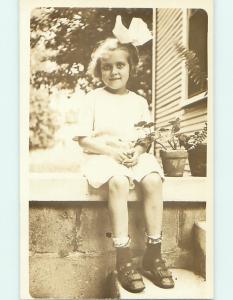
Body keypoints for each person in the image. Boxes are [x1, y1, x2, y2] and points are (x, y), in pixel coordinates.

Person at [75, 19, 174, 293]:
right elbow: (84, 139)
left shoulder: (139, 101)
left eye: (120, 65)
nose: (114, 71)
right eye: (107, 67)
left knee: (153, 179)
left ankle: (154, 254)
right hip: (103, 156)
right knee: (118, 182)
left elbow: (146, 137)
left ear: (131, 67)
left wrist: (139, 151)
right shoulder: (93, 98)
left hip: (132, 155)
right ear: (99, 70)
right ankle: (124, 258)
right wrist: (113, 152)